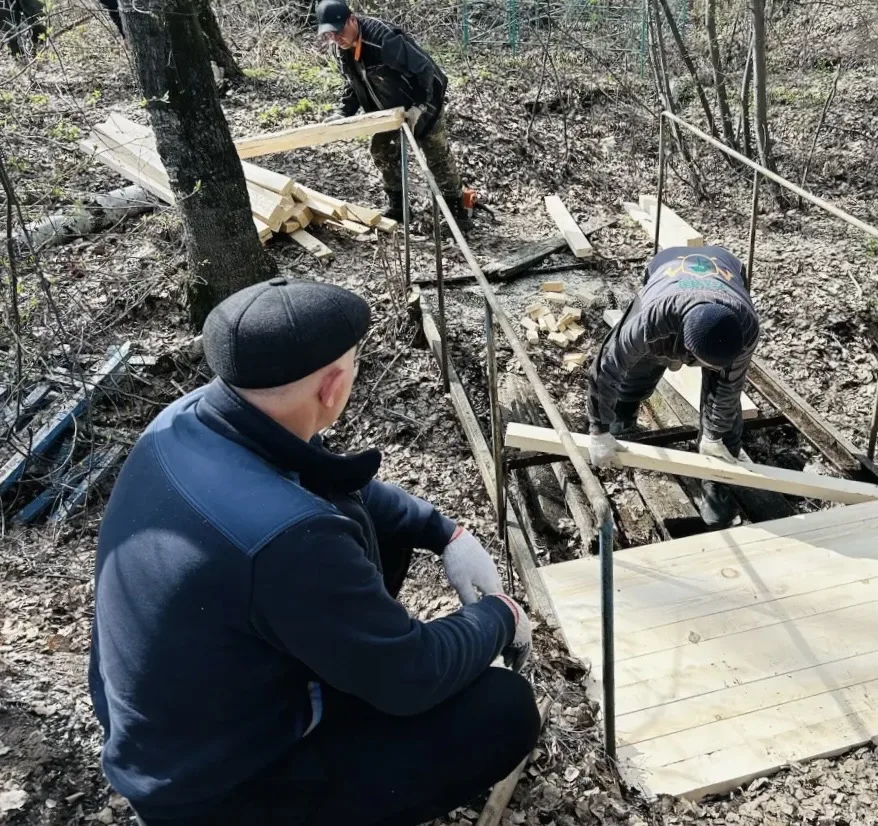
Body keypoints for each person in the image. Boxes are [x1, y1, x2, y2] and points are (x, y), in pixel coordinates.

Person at [88, 276, 538, 825]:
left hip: (171, 735)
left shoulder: (190, 420)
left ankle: (348, 672)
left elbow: (334, 481)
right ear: (332, 387)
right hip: (219, 793)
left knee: (384, 535)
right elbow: (413, 675)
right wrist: (500, 616)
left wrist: (444, 532)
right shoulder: (290, 539)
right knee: (503, 710)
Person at [586, 245, 761, 528]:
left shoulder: (746, 327)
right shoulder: (649, 320)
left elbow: (730, 386)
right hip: (666, 271)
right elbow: (607, 367)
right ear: (687, 348)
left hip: (727, 272)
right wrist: (598, 429)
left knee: (726, 417)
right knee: (640, 368)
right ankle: (621, 419)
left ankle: (716, 491)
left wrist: (714, 434)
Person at [314, 0, 469, 228]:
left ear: (352, 20)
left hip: (425, 100)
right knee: (381, 149)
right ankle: (398, 206)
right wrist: (343, 112)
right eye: (330, 35)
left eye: (339, 32)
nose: (336, 38)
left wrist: (418, 106)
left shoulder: (383, 39)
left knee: (435, 153)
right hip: (387, 110)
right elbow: (353, 83)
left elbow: (424, 69)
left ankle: (457, 210)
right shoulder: (341, 50)